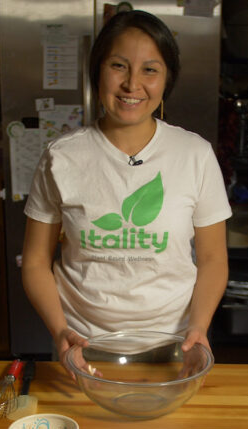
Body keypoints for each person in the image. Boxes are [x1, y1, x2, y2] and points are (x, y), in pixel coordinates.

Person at [22, 10, 230, 365]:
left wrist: (199, 326)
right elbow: (36, 261)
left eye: (150, 69)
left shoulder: (195, 154)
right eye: (119, 66)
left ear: (167, 79)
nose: (132, 85)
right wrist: (60, 333)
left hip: (175, 347)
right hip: (81, 349)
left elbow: (213, 259)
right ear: (98, 72)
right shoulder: (61, 157)